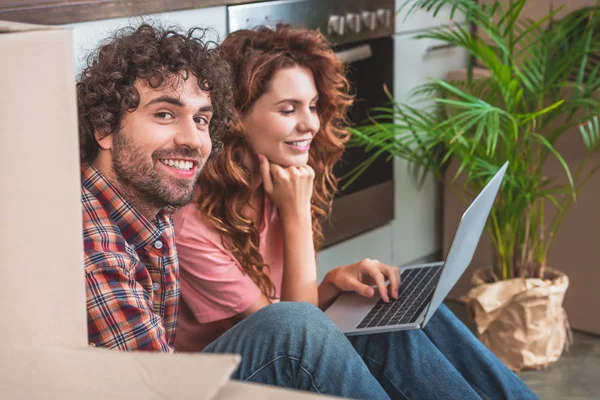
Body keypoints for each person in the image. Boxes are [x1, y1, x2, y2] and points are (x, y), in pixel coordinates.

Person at [172, 24, 539, 400]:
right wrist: (296, 215)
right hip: (221, 382)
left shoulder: (279, 181)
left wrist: (334, 283)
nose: (310, 124)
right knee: (375, 332)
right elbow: (294, 338)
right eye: (288, 109)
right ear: (234, 117)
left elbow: (289, 309)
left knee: (393, 306)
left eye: (312, 106)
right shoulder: (193, 227)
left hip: (284, 345)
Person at [77, 23, 421, 399]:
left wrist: (333, 285)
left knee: (391, 314)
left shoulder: (151, 214)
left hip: (185, 376)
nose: (193, 139)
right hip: (179, 388)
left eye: (202, 120)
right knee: (297, 327)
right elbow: (157, 393)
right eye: (164, 114)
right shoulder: (98, 247)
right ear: (104, 128)